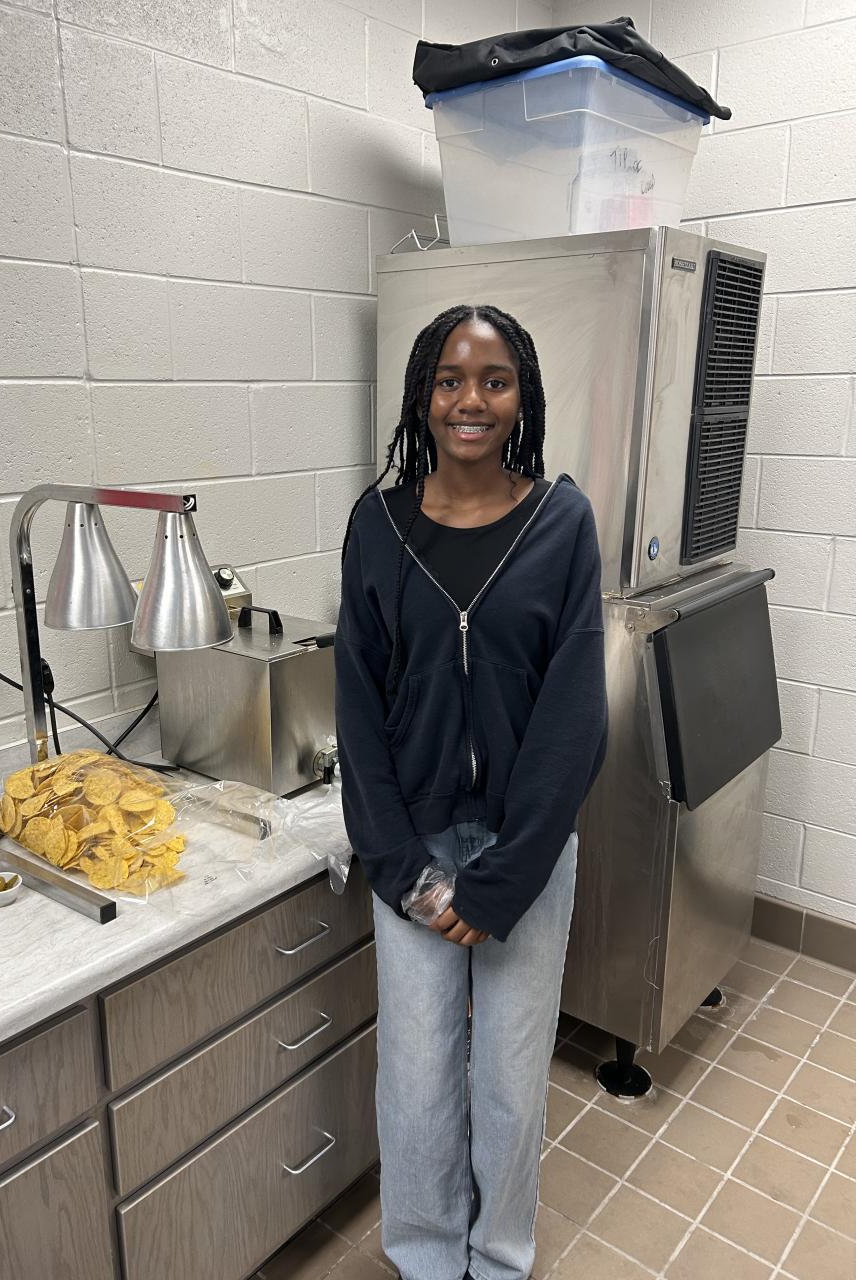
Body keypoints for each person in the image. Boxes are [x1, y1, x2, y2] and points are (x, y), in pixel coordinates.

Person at [333, 304, 609, 1280]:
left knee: (509, 1076)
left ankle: (496, 1258)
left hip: (521, 853)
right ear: (423, 394)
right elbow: (358, 710)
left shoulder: (561, 523)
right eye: (450, 379)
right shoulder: (377, 526)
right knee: (415, 1078)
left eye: (494, 380)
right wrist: (404, 868)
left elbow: (574, 717)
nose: (470, 399)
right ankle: (424, 1256)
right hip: (410, 847)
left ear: (521, 396)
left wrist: (504, 880)